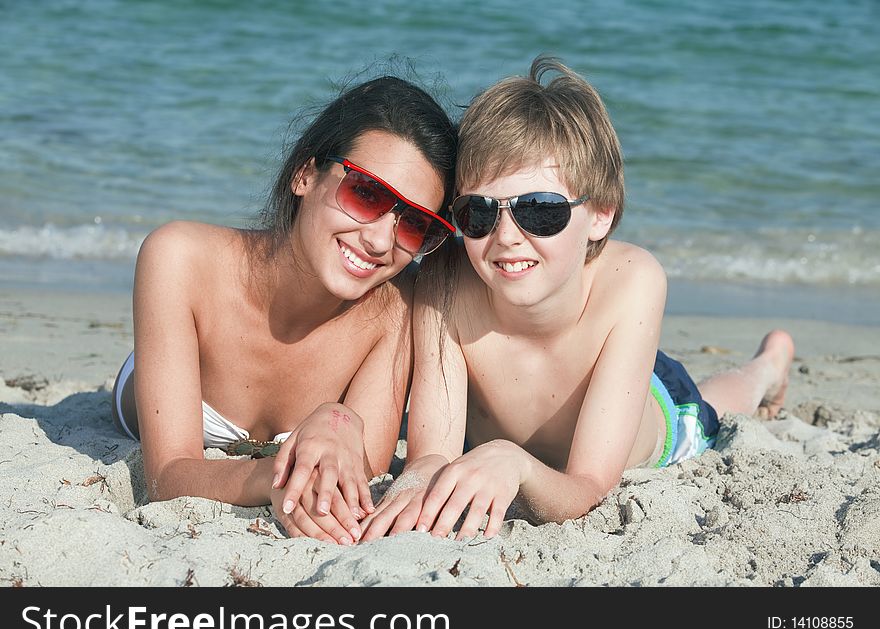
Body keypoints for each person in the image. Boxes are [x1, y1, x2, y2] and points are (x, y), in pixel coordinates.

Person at [360, 56, 794, 542]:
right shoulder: (444, 280)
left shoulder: (632, 280)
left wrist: (517, 464)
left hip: (652, 412)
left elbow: (587, 486)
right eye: (478, 213)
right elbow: (430, 457)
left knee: (713, 404)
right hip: (507, 445)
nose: (506, 237)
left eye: (539, 211)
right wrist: (421, 478)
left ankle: (767, 367)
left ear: (601, 216)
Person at [111, 74, 457, 545]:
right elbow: (167, 477)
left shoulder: (396, 304)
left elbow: (367, 466)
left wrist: (338, 419)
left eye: (415, 223)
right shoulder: (179, 259)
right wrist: (272, 479)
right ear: (305, 174)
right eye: (367, 193)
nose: (380, 240)